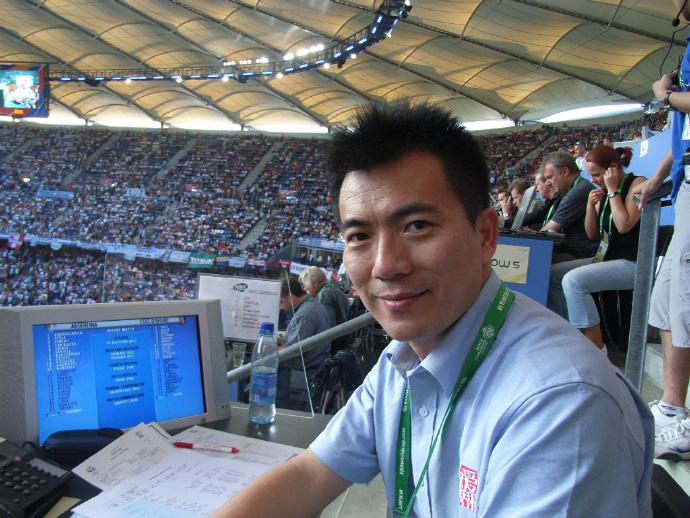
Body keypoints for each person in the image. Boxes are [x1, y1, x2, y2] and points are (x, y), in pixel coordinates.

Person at [213, 101, 653, 517]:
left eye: (417, 226)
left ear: (485, 236)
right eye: (359, 236)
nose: (385, 265)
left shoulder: (560, 405)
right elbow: (310, 474)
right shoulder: (401, 361)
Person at [636, 0, 690, 459]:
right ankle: (673, 407)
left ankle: (680, 416)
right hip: (685, 181)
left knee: (685, 297)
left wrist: (665, 95)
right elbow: (684, 130)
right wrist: (657, 179)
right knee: (668, 298)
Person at [560, 145, 644, 350]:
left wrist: (613, 191)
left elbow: (624, 225)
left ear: (612, 169)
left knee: (573, 281)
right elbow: (592, 234)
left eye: (596, 175)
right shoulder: (603, 193)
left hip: (633, 261)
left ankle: (594, 345)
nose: (593, 180)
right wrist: (590, 206)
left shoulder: (637, 184)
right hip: (606, 258)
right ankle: (568, 332)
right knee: (553, 274)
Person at [541, 150, 599, 318]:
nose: (549, 182)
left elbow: (550, 229)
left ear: (565, 172)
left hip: (584, 253)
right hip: (574, 250)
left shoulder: (579, 190)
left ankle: (563, 324)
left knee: (547, 272)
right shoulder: (574, 189)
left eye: (550, 177)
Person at [276, 277, 331, 411]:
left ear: (290, 297)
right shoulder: (311, 305)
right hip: (314, 368)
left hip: (306, 373)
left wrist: (266, 349)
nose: (281, 307)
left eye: (281, 302)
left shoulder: (305, 314)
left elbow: (291, 354)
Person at [298, 265, 351, 351]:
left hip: (334, 345)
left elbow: (327, 327)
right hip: (343, 341)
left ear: (314, 282)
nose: (304, 289)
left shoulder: (324, 295)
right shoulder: (336, 290)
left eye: (305, 284)